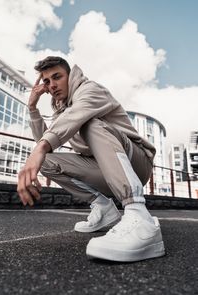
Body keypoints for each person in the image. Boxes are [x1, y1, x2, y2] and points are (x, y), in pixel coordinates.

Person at [17, 56, 165, 262]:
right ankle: (105, 210)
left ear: (71, 76)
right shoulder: (61, 111)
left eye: (57, 77)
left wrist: (41, 147)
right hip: (104, 170)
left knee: (90, 123)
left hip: (136, 163)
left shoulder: (90, 90)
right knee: (47, 161)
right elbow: (47, 141)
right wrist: (33, 109)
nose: (52, 85)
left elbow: (75, 117)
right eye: (47, 81)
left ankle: (140, 217)